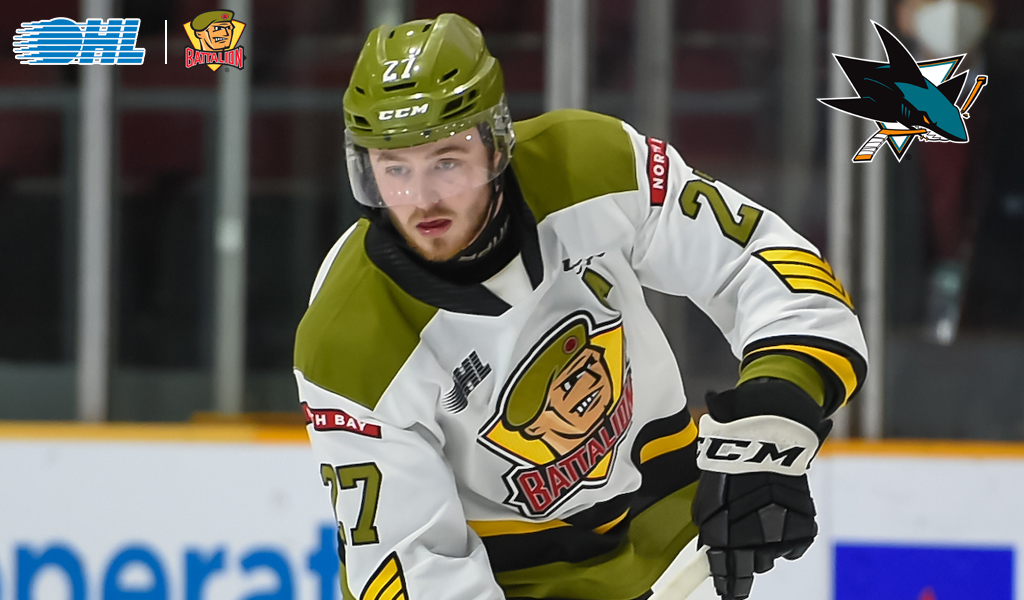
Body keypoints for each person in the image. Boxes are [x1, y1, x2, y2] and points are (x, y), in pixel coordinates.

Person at [293, 13, 868, 600]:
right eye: (395, 168)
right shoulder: (348, 343)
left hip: (688, 540)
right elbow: (410, 566)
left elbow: (758, 259)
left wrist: (773, 417)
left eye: (446, 161)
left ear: (495, 145)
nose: (422, 199)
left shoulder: (589, 165)